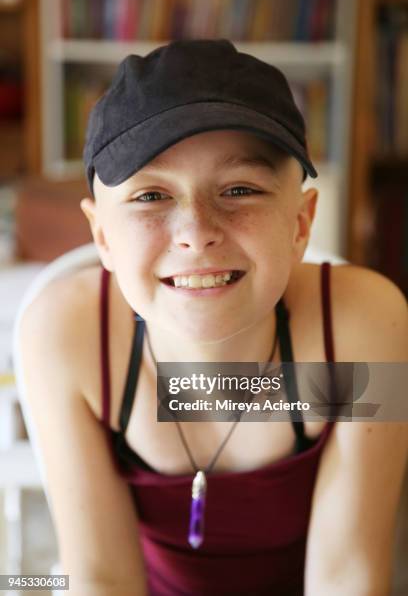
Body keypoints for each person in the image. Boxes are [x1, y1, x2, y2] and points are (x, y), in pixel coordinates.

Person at [19, 40, 407, 596]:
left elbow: (347, 575)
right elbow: (100, 577)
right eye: (151, 195)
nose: (196, 231)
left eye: (240, 189)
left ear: (300, 224)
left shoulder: (358, 327)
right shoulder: (69, 335)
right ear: (102, 236)